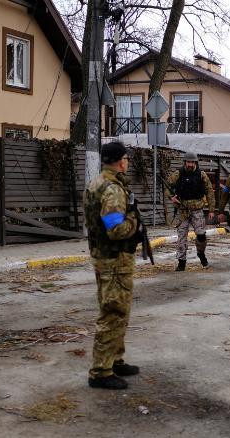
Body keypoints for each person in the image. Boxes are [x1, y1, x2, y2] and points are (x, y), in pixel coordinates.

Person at [83, 141, 142, 390]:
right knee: (113, 313)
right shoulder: (112, 189)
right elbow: (116, 229)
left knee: (119, 312)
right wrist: (135, 226)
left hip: (106, 258)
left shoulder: (97, 183)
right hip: (114, 260)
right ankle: (100, 371)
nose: (127, 162)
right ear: (120, 161)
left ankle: (115, 359)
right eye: (126, 158)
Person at [166, 152, 215, 271]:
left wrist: (212, 209)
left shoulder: (201, 175)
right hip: (182, 210)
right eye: (188, 162)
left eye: (192, 162)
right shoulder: (178, 174)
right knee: (181, 237)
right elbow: (167, 186)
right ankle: (181, 262)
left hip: (197, 210)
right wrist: (171, 197)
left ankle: (201, 255)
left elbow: (209, 192)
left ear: (195, 163)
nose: (190, 164)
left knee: (201, 235)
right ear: (185, 162)